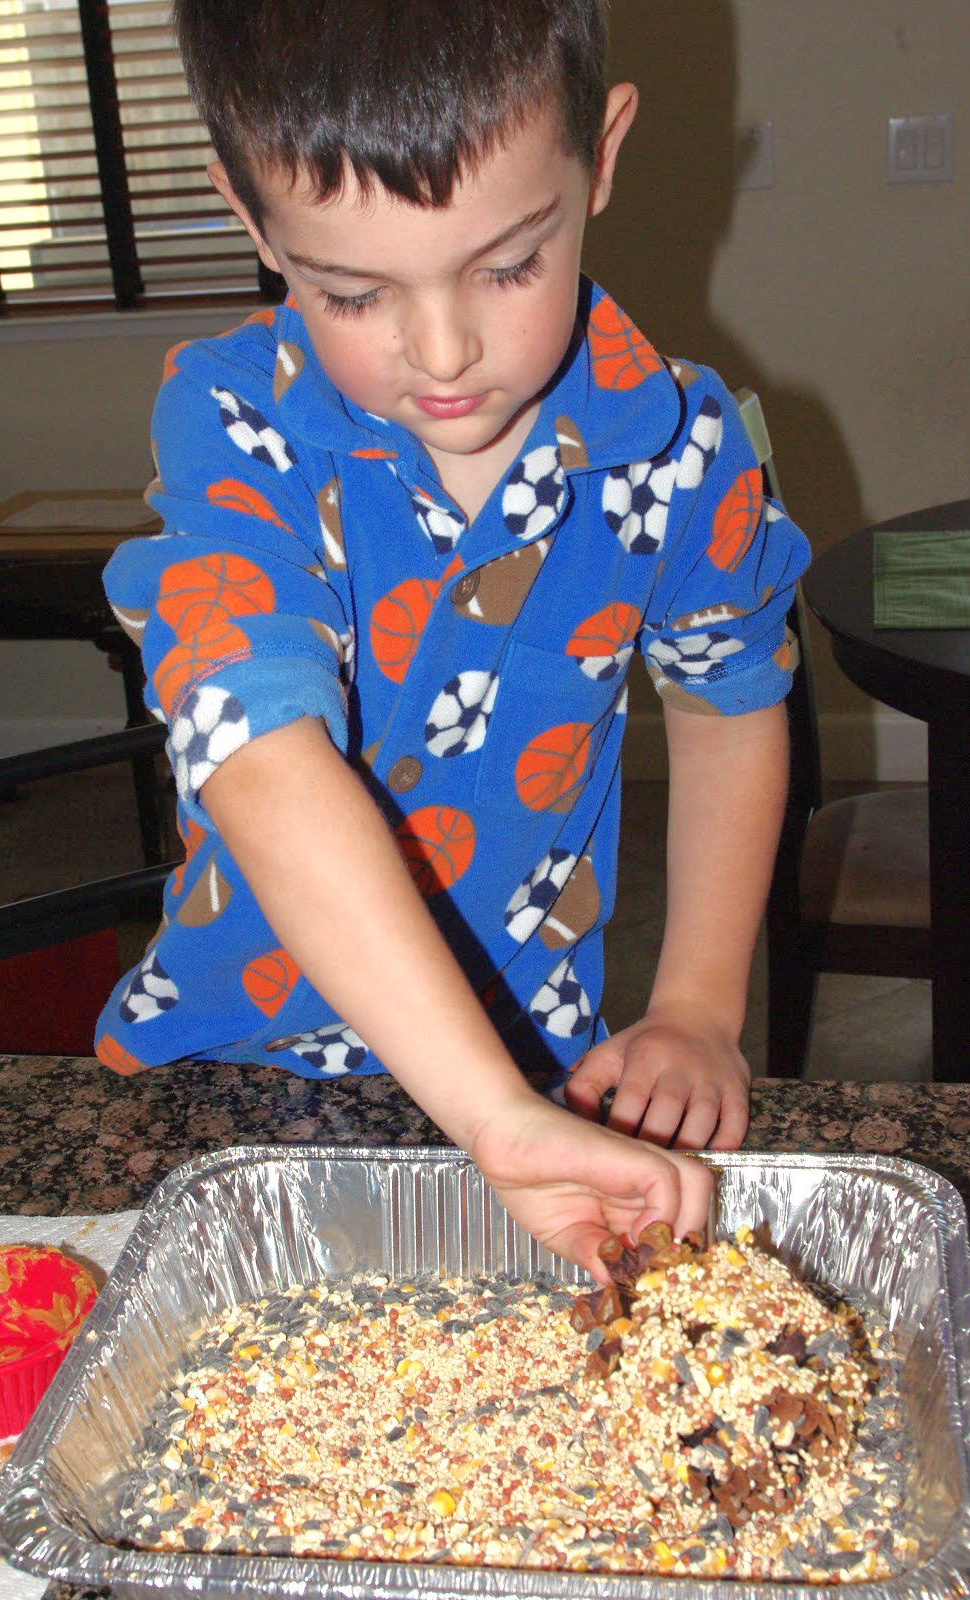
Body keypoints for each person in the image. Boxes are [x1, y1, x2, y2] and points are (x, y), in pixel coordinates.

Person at [95, 0, 810, 1278]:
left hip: (539, 1069)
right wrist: (492, 1120)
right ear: (251, 216)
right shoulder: (235, 422)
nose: (442, 352)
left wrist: (698, 1004)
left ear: (601, 155)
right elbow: (255, 748)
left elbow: (729, 699)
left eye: (509, 265)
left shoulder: (688, 450)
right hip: (233, 1074)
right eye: (351, 291)